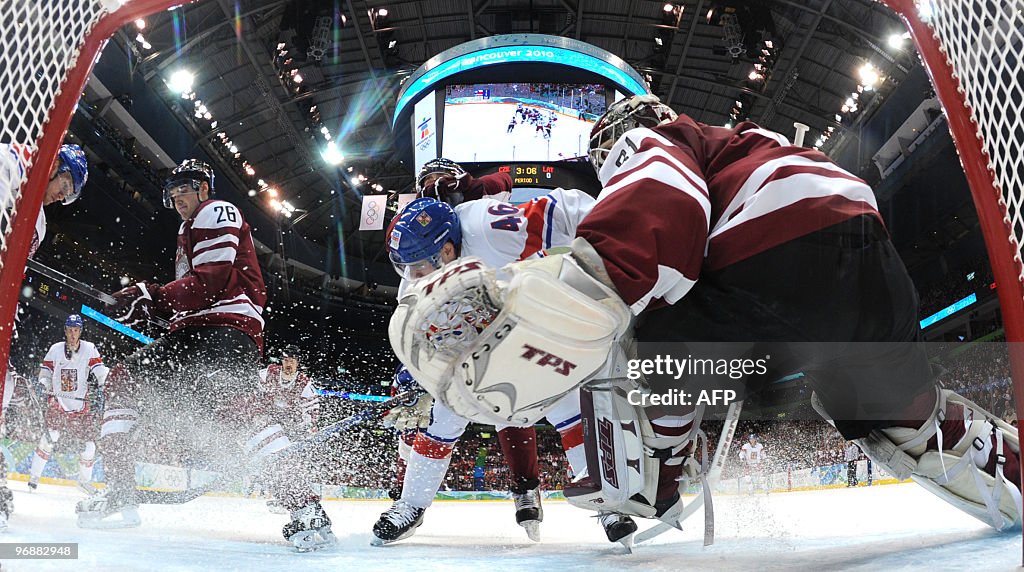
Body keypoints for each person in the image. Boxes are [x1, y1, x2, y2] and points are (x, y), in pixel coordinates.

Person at [390, 94, 1022, 535]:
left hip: (775, 257)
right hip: (867, 263)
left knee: (641, 333)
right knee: (908, 418)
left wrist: (593, 277)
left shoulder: (658, 140)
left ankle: (659, 472)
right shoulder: (748, 143)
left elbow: (664, 196)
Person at [77, 159, 334, 551]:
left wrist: (155, 295)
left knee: (236, 407)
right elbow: (192, 297)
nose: (178, 197)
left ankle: (306, 508)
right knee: (122, 382)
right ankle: (121, 492)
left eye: (184, 188)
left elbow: (210, 283)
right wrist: (153, 304)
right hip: (193, 333)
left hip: (227, 331)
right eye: (173, 191)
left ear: (202, 187)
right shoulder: (186, 230)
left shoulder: (217, 211)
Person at [375, 188, 638, 546]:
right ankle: (411, 506)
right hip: (477, 348)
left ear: (449, 250)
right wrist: (413, 377)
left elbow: (565, 209)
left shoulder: (488, 227)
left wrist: (625, 220)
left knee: (568, 407)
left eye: (418, 265)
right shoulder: (416, 274)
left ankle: (607, 503)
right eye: (403, 267)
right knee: (444, 418)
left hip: (532, 324)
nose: (411, 275)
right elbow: (419, 338)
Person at [0, 142, 88, 530]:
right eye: (65, 185)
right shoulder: (12, 162)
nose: (61, 196)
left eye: (68, 194)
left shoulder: (40, 222)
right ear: (54, 164)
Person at [28, 314, 108, 491]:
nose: (73, 334)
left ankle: (84, 482)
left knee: (89, 446)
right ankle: (34, 477)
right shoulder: (55, 349)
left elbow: (101, 372)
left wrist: (104, 387)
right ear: (65, 330)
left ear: (80, 331)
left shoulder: (89, 349)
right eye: (70, 330)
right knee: (50, 437)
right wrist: (44, 386)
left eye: (76, 330)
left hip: (80, 406)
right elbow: (45, 374)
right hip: (58, 401)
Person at [255, 344, 320, 437]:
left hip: (291, 425)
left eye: (292, 362)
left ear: (297, 363)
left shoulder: (304, 384)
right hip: (267, 420)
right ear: (282, 361)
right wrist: (258, 416)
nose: (288, 364)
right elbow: (256, 397)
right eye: (286, 361)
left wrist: (308, 428)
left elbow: (312, 411)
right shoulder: (268, 373)